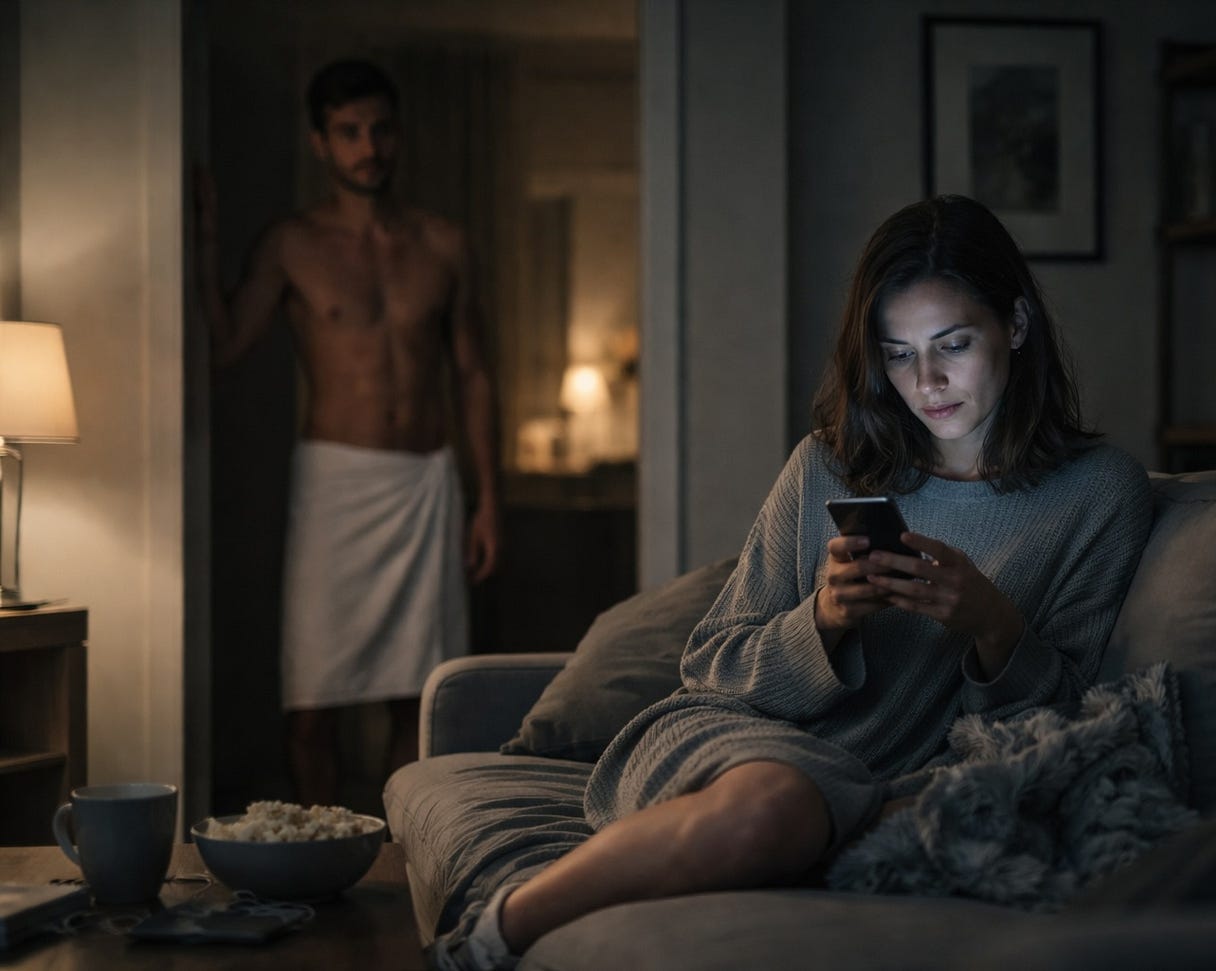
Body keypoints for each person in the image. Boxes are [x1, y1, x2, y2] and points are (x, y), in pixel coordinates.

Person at [430, 194, 1152, 970]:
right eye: (899, 352)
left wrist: (992, 625)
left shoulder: (1099, 493)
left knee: (815, 810)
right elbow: (711, 662)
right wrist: (825, 620)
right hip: (728, 737)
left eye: (954, 343)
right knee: (775, 805)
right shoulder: (827, 463)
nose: (928, 380)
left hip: (888, 778)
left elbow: (1069, 723)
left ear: (1014, 325)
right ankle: (488, 937)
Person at [197, 59, 501, 807]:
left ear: (399, 136)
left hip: (425, 482)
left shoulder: (444, 245)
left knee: (419, 698)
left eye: (381, 130)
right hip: (335, 485)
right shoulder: (291, 244)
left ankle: (398, 858)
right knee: (312, 700)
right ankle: (325, 854)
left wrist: (487, 496)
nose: (370, 147)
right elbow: (227, 343)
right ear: (320, 143)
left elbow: (472, 374)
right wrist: (201, 244)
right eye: (350, 132)